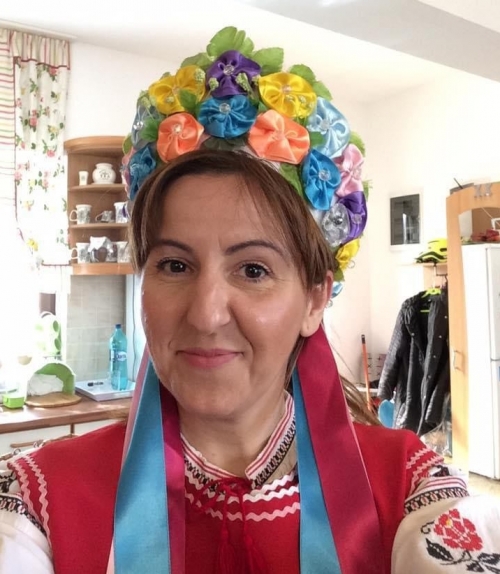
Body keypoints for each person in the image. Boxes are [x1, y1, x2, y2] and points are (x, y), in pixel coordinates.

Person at [1, 26, 499, 574]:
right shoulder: (39, 498)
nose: (206, 314)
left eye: (253, 270)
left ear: (314, 300)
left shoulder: (409, 487)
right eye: (174, 265)